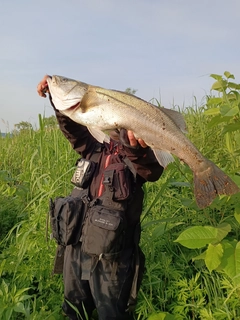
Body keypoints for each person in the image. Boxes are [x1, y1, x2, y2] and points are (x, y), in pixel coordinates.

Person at [37, 75, 164, 320]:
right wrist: (56, 98)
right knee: (74, 310)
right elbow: (73, 128)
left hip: (113, 259)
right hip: (77, 247)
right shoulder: (93, 146)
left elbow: (151, 170)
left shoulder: (136, 155)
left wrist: (136, 147)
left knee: (111, 314)